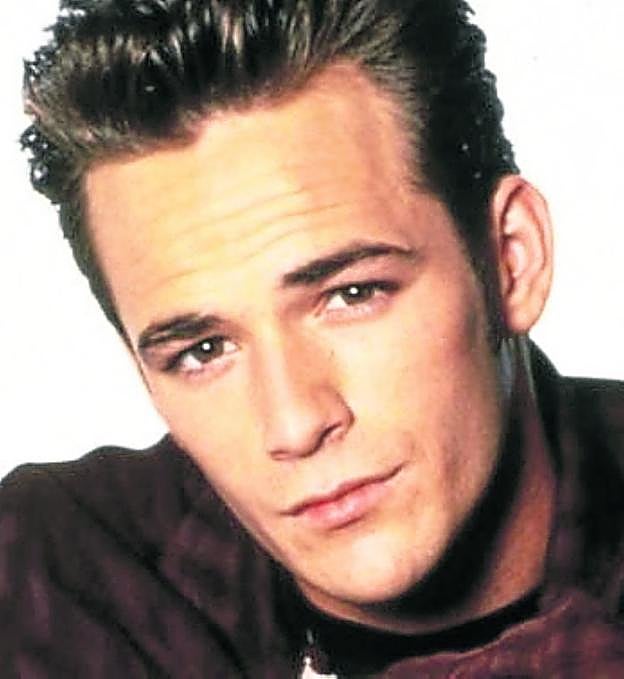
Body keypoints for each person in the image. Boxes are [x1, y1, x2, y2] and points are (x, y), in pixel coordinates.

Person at [1, 0, 623, 676]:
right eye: (203, 351)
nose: (295, 424)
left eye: (352, 295)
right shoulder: (58, 577)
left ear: (510, 259)